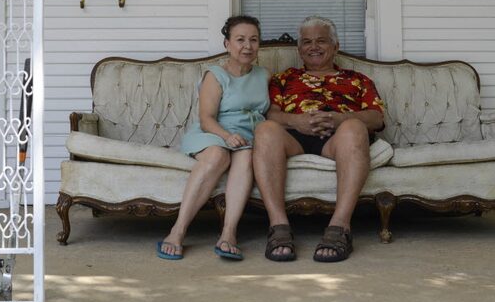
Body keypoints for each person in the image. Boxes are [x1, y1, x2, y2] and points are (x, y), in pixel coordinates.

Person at [253, 16, 384, 263]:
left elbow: (376, 117)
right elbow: (270, 114)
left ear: (335, 46)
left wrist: (338, 119)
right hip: (293, 136)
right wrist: (296, 121)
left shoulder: (357, 79)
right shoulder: (283, 79)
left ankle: (339, 227)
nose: (313, 47)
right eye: (307, 42)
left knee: (355, 127)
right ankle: (279, 226)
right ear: (299, 49)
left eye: (321, 41)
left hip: (338, 139)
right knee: (265, 130)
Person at [157, 15, 270, 261]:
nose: (247, 46)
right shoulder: (216, 75)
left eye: (253, 40)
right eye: (240, 40)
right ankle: (178, 230)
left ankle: (228, 233)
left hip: (248, 137)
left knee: (246, 156)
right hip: (214, 132)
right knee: (219, 156)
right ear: (227, 44)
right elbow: (206, 118)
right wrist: (227, 137)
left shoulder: (264, 75)